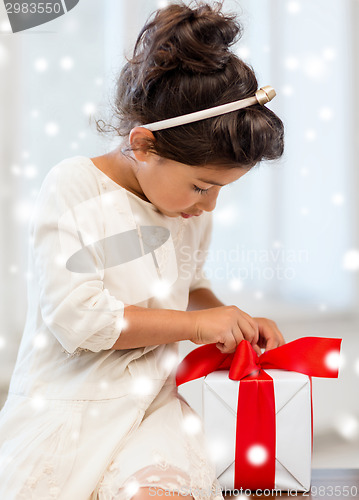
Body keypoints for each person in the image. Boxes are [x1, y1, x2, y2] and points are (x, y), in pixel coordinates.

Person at [0, 2, 286, 499]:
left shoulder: (184, 212)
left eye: (221, 189)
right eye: (201, 186)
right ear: (145, 145)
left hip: (154, 408)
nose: (210, 204)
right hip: (70, 406)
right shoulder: (74, 188)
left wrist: (226, 316)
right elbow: (80, 320)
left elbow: (186, 287)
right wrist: (197, 326)